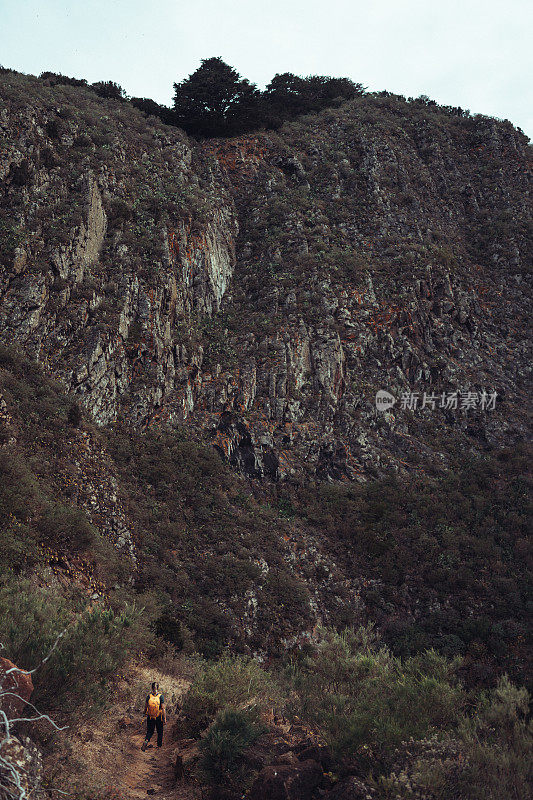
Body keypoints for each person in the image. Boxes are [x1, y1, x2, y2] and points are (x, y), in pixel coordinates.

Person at [141, 681, 166, 750]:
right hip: (159, 717)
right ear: (158, 688)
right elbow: (163, 708)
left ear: (151, 688)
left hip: (150, 717)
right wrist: (164, 718)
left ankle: (146, 741)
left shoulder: (149, 696)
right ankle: (159, 746)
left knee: (150, 731)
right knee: (160, 731)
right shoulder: (161, 696)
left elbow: (145, 707)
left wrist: (144, 714)